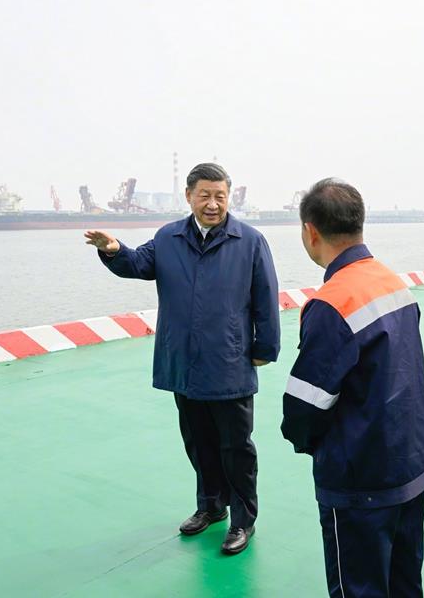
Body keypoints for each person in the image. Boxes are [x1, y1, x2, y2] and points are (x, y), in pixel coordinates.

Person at [84, 162, 280, 555]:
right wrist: (113, 250)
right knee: (198, 440)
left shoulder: (250, 241)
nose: (213, 204)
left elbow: (266, 298)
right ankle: (211, 506)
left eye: (220, 196)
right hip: (184, 361)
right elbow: (139, 263)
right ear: (189, 196)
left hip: (228, 362)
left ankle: (243, 520)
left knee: (236, 447)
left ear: (229, 197)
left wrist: (265, 349)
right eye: (204, 195)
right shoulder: (168, 237)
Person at [281, 179, 424, 597]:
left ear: (310, 231)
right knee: (404, 581)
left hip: (360, 478)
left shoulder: (332, 303)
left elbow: (305, 406)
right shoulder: (392, 282)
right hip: (409, 462)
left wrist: (302, 439)